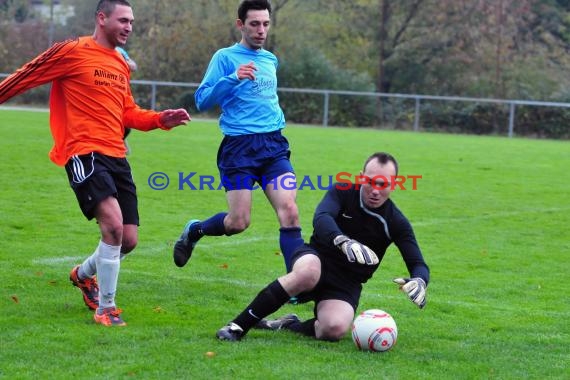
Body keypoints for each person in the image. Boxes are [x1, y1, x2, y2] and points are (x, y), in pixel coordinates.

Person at [0, 0, 191, 326]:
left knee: (128, 239)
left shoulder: (118, 64)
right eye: (123, 20)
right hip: (83, 152)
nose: (129, 27)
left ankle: (83, 275)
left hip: (117, 155)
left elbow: (127, 112)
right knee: (113, 226)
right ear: (101, 19)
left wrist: (160, 119)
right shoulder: (72, 51)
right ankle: (107, 308)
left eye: (132, 21)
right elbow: (25, 76)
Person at [215, 152, 430, 342]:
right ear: (360, 176)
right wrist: (342, 241)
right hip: (315, 258)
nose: (375, 190)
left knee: (334, 329)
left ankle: (288, 324)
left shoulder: (396, 222)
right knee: (308, 272)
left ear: (394, 184)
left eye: (383, 184)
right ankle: (237, 326)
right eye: (370, 181)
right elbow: (322, 217)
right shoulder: (342, 191)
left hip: (346, 282)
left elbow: (417, 263)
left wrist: (420, 280)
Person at [173, 0, 303, 275]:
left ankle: (297, 283)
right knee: (238, 222)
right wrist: (233, 77)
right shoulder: (224, 58)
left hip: (273, 146)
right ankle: (195, 230)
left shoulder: (270, 59)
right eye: (254, 24)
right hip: (239, 149)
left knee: (290, 211)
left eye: (265, 24)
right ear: (240, 25)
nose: (261, 30)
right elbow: (201, 100)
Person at [115, 46, 137, 154]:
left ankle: (119, 143)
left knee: (126, 126)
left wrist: (121, 60)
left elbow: (133, 66)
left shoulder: (119, 50)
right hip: (105, 93)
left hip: (120, 92)